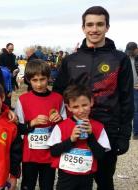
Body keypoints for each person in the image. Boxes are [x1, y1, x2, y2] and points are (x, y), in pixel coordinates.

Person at [53, 6, 134, 190]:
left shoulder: (119, 59)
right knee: (73, 181)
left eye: (99, 24)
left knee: (104, 180)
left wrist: (124, 135)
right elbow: (57, 93)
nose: (94, 29)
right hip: (74, 129)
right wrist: (54, 117)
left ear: (107, 27)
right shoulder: (71, 60)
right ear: (83, 28)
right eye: (89, 24)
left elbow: (127, 98)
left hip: (107, 129)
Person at [15, 59, 66, 190]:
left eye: (42, 79)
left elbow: (66, 126)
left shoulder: (58, 98)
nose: (38, 84)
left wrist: (59, 119)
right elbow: (17, 128)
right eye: (34, 80)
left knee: (47, 185)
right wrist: (32, 123)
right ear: (28, 80)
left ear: (49, 78)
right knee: (27, 185)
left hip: (49, 154)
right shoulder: (23, 99)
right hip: (30, 155)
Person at [48, 85, 111, 190]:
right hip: (66, 176)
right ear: (69, 108)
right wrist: (71, 140)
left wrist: (91, 136)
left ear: (91, 102)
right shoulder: (61, 126)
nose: (81, 110)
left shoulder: (98, 127)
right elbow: (54, 152)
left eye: (84, 105)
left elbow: (101, 155)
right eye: (76, 107)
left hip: (86, 176)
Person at [125, 42, 138, 139]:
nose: (129, 53)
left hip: (136, 87)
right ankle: (134, 133)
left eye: (131, 51)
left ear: (136, 49)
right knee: (133, 111)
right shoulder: (125, 58)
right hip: (129, 88)